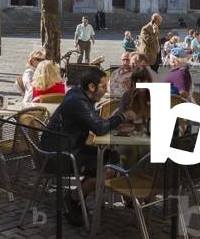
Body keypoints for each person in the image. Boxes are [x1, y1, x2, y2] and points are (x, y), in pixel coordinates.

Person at [44, 67, 137, 226]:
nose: (106, 90)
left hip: (65, 148)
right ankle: (72, 199)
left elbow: (95, 123)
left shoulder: (78, 94)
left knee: (110, 156)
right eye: (103, 86)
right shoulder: (78, 101)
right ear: (91, 87)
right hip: (59, 155)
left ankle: (78, 197)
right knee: (108, 167)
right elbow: (99, 128)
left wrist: (113, 125)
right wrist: (123, 116)